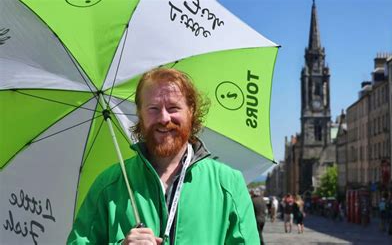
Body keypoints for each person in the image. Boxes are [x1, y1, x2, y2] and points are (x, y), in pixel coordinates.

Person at [67, 68, 259, 244]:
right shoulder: (109, 184)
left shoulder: (228, 184)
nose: (164, 118)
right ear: (140, 115)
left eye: (173, 108)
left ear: (191, 112)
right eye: (153, 109)